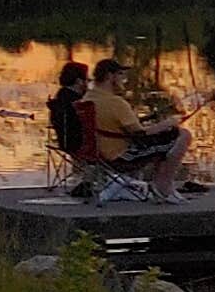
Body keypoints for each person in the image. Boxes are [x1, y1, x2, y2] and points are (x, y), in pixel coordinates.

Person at [87, 56, 189, 198]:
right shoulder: (116, 102)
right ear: (110, 76)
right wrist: (168, 123)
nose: (124, 79)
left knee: (165, 138)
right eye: (121, 75)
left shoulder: (88, 98)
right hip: (121, 157)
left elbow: (120, 127)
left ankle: (151, 186)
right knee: (182, 135)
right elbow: (140, 134)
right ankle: (163, 186)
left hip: (100, 154)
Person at [45, 57, 97, 190]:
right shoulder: (79, 102)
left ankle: (85, 182)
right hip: (83, 144)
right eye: (87, 80)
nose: (88, 84)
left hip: (66, 142)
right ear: (79, 81)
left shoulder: (60, 98)